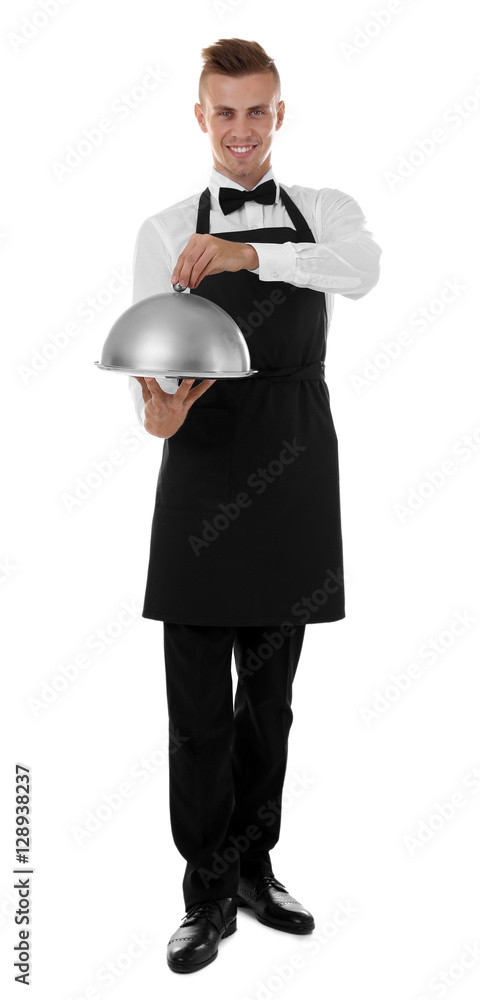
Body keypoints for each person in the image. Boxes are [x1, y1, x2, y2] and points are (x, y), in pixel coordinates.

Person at [129, 37, 381, 974]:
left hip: (296, 460)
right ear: (201, 117)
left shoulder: (327, 213)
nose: (242, 130)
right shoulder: (163, 229)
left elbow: (358, 272)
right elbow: (151, 363)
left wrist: (246, 252)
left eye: (257, 111)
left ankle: (254, 868)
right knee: (197, 710)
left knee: (269, 703)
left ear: (280, 114)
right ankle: (204, 892)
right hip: (202, 463)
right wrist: (156, 414)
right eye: (224, 112)